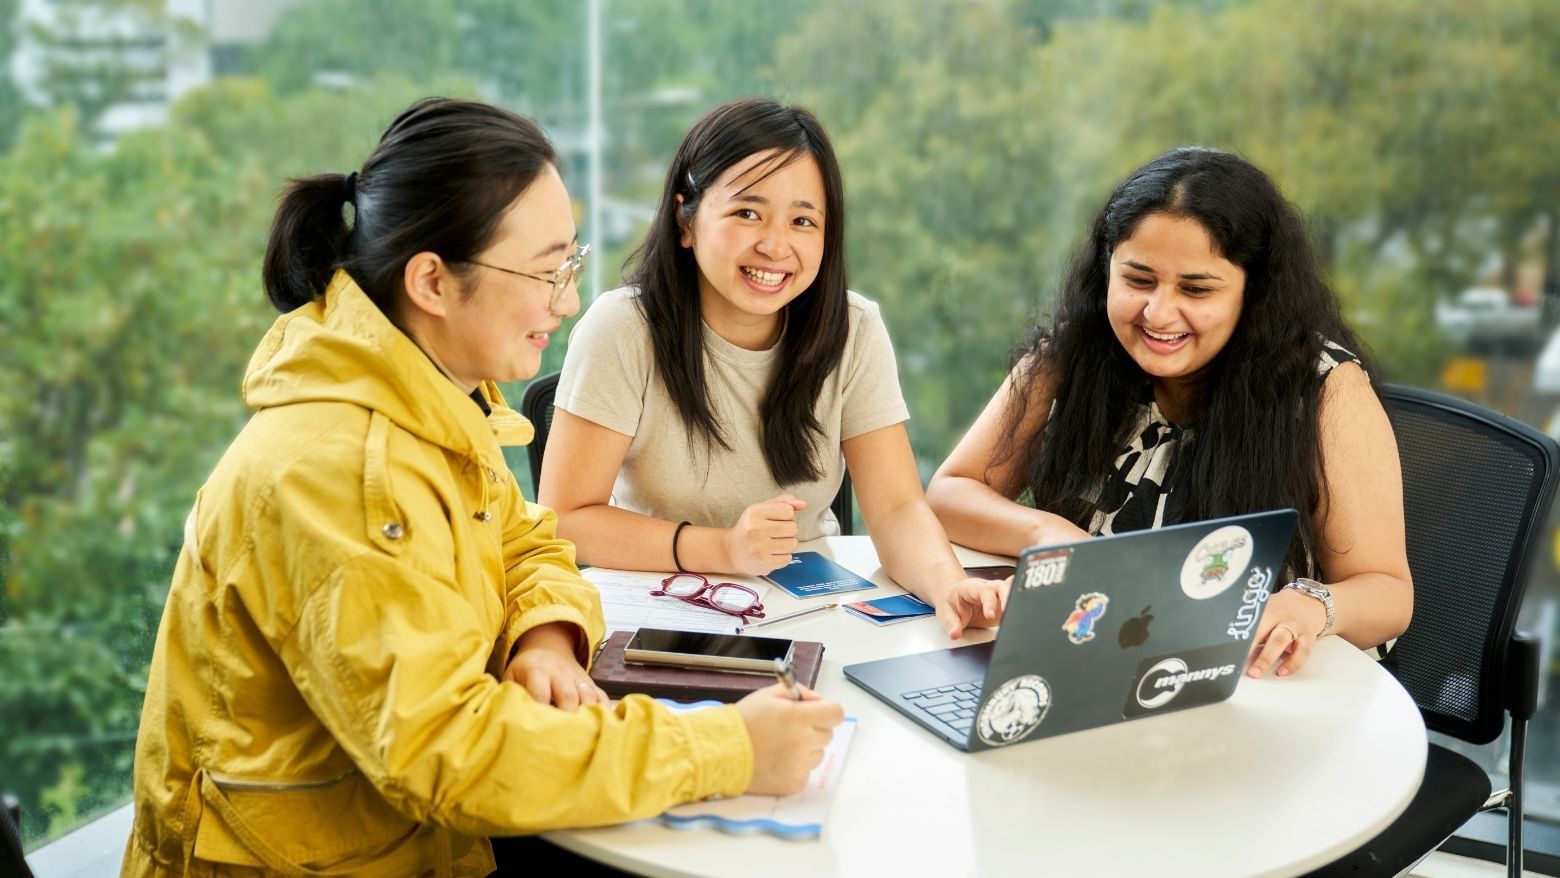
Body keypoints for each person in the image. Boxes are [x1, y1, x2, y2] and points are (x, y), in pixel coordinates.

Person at [123, 97, 842, 878]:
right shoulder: (338, 475)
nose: (565, 302)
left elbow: (529, 538)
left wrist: (544, 638)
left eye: (570, 265)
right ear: (432, 280)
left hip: (413, 841)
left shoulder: (434, 398)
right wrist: (728, 749)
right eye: (545, 272)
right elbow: (450, 756)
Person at [925, 147, 1412, 678]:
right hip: (1097, 663)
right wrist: (1048, 534)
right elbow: (952, 490)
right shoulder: (1072, 354)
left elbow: (1388, 592)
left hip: (1263, 686)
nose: (1157, 313)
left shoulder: (1325, 387)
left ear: (1254, 295)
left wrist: (1310, 606)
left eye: (1196, 289)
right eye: (1137, 280)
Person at [540, 98, 1004, 640]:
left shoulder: (853, 330)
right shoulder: (622, 329)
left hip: (811, 615)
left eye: (803, 220)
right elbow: (565, 518)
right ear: (685, 221)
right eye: (746, 213)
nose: (774, 245)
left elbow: (898, 509)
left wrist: (949, 584)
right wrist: (724, 549)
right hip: (660, 607)